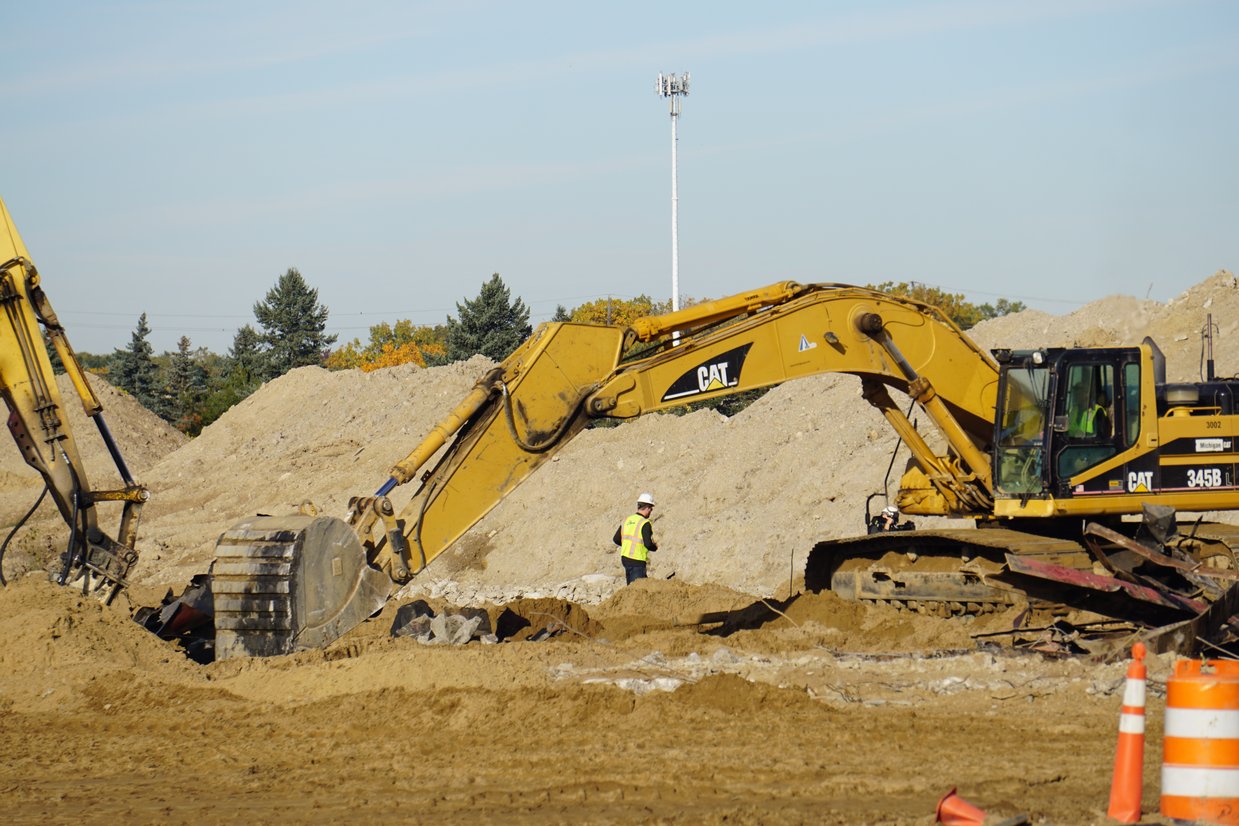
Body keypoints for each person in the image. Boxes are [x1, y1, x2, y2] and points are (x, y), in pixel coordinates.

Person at [613, 492, 658, 584]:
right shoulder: (644, 523)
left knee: (631, 587)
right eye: (651, 509)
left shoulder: (627, 520)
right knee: (638, 589)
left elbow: (616, 539)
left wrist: (627, 544)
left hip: (625, 558)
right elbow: (648, 544)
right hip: (637, 559)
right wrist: (655, 547)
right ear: (647, 508)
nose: (651, 512)